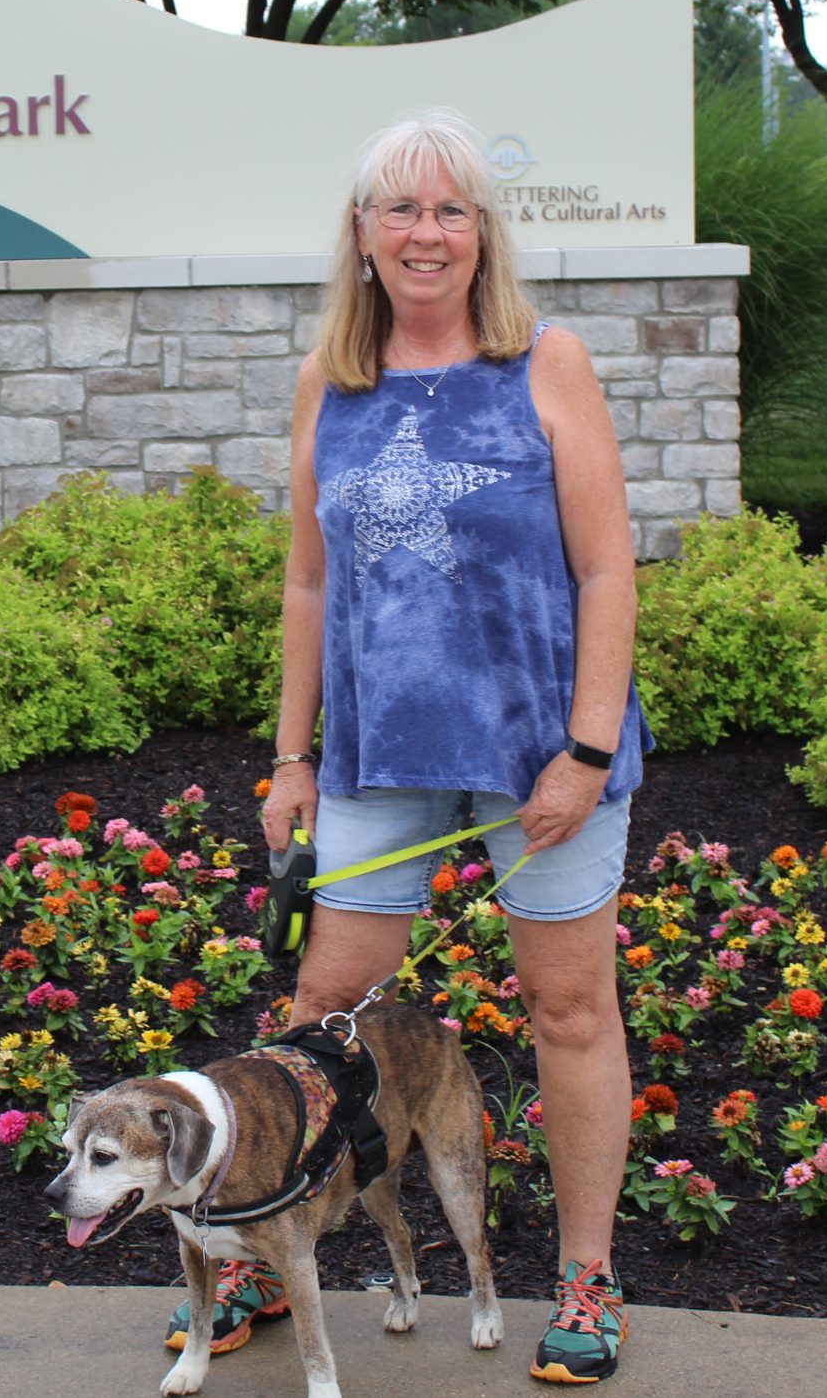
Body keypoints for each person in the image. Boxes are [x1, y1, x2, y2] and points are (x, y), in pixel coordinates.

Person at [168, 110, 653, 1384]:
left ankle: (589, 1281)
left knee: (566, 1008)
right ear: (363, 234)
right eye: (402, 210)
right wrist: (289, 762)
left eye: (450, 210)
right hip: (380, 754)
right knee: (326, 1014)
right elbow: (308, 589)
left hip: (543, 755)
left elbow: (607, 569)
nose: (425, 233)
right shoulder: (329, 381)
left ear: (479, 233)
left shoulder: (546, 363)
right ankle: (268, 1266)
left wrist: (586, 755)